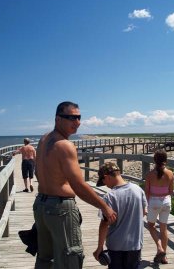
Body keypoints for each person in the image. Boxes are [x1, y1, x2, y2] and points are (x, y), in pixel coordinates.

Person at [33, 101, 117, 269]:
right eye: (71, 117)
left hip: (41, 205)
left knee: (45, 259)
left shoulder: (44, 139)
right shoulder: (65, 145)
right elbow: (78, 185)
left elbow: (37, 172)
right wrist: (104, 206)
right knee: (71, 258)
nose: (77, 122)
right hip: (60, 209)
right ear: (58, 119)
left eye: (79, 117)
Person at [93, 162, 148, 269]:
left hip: (115, 246)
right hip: (134, 245)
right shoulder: (138, 190)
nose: (106, 185)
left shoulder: (110, 196)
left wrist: (99, 247)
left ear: (106, 177)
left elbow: (104, 224)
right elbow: (144, 212)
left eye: (103, 182)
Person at [144, 149, 174, 264]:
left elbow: (146, 192)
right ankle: (164, 257)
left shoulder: (150, 175)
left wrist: (146, 206)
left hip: (154, 202)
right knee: (164, 228)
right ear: (166, 160)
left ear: (154, 160)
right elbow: (171, 191)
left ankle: (159, 247)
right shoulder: (170, 173)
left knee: (150, 225)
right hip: (166, 201)